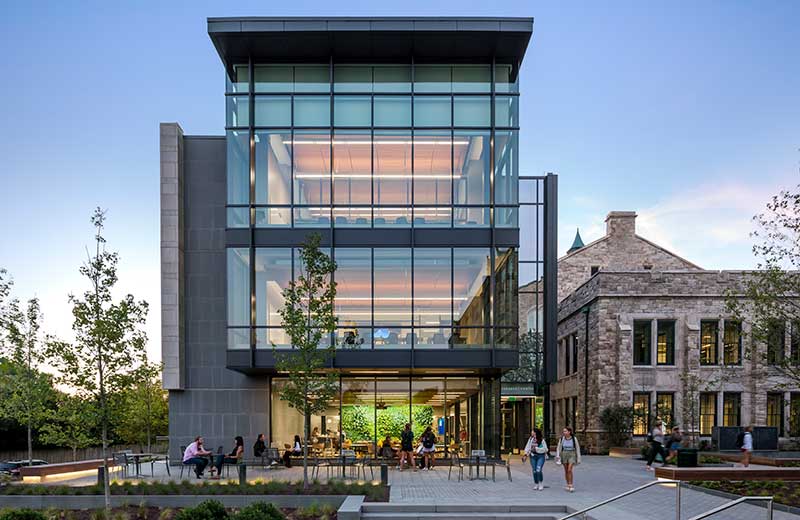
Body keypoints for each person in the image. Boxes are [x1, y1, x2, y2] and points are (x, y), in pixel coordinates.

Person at [556, 427, 581, 492]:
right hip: (564, 454)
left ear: (569, 432)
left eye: (565, 431)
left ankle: (571, 485)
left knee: (569, 469)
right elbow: (559, 448)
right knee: (566, 470)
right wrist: (558, 456)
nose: (564, 432)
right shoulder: (562, 439)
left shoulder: (574, 439)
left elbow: (577, 448)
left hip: (572, 454)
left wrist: (578, 458)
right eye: (564, 431)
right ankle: (568, 484)